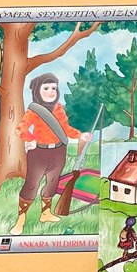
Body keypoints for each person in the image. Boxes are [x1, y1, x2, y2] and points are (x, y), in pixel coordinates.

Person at [11, 73, 91, 234]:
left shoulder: (59, 109)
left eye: (54, 88)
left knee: (52, 183)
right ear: (37, 91)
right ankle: (20, 220)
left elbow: (66, 129)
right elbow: (20, 129)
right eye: (46, 88)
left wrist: (80, 135)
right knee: (31, 185)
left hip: (59, 151)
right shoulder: (34, 110)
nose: (51, 91)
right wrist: (31, 139)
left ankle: (45, 214)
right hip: (39, 153)